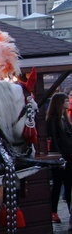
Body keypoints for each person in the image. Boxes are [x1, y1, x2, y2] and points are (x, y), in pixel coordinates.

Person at [46, 92, 72, 223]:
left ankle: (69, 211)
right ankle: (54, 212)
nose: (68, 103)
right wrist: (59, 156)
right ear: (60, 103)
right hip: (60, 157)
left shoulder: (65, 119)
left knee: (68, 185)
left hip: (68, 155)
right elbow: (54, 140)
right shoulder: (53, 120)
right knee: (57, 184)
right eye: (66, 101)